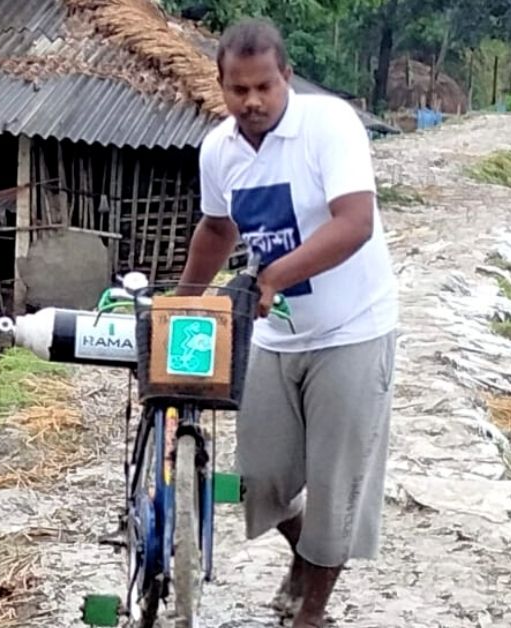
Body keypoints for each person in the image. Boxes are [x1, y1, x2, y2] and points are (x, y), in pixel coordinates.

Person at [175, 17, 398, 628]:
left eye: (264, 88)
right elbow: (218, 228)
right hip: (274, 332)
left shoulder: (329, 126)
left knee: (334, 486)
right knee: (263, 478)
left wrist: (270, 277)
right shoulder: (218, 151)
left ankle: (310, 613)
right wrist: (185, 299)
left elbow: (354, 223)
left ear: (286, 79)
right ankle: (306, 558)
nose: (251, 102)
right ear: (220, 85)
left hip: (352, 329)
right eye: (238, 89)